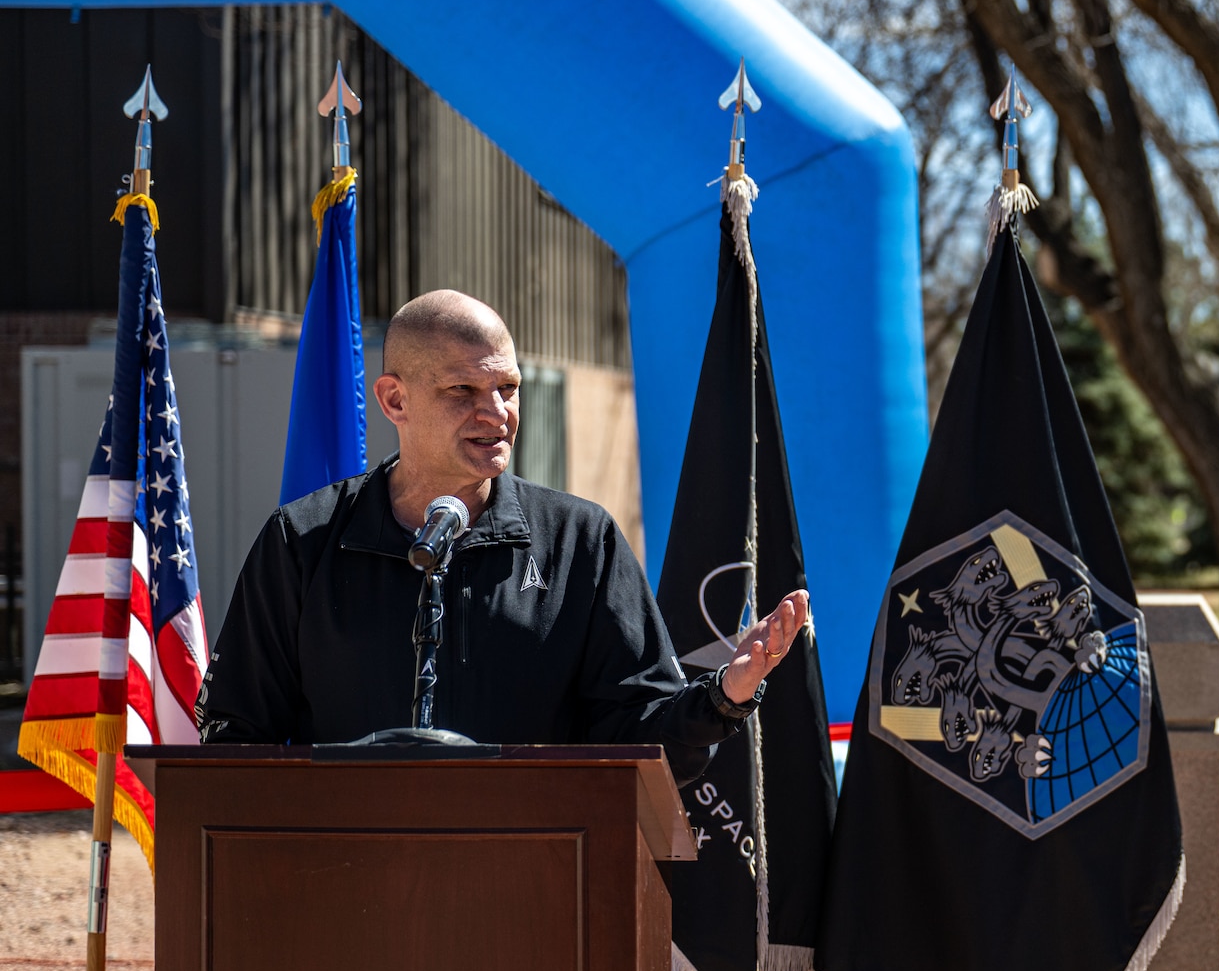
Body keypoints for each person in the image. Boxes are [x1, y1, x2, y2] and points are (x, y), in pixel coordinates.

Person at [197, 289, 804, 783]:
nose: (497, 413)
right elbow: (236, 733)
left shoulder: (581, 543)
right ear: (394, 400)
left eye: (507, 389)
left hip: (537, 884)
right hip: (345, 887)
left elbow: (635, 733)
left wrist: (722, 697)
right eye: (462, 391)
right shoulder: (302, 540)